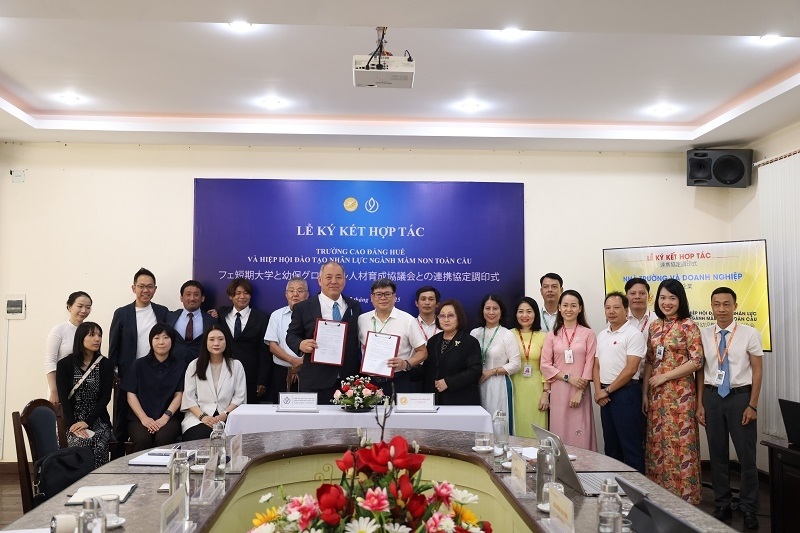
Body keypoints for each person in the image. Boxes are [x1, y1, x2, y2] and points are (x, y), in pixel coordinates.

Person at [696, 287, 763, 529]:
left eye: (726, 304)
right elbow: (700, 372)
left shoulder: (749, 333)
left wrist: (752, 405)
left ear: (735, 306)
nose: (722, 309)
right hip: (712, 398)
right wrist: (700, 404)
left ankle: (749, 507)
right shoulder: (704, 334)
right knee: (717, 454)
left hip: (740, 398)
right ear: (711, 307)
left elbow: (757, 371)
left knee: (747, 456)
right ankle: (722, 503)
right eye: (717, 304)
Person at [642, 279, 704, 504]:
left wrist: (666, 376)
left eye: (672, 298)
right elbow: (650, 361)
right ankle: (659, 498)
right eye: (662, 298)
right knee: (658, 445)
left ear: (680, 300)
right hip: (657, 396)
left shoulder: (689, 326)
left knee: (681, 446)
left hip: (681, 396)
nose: (666, 302)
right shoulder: (654, 326)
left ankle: (686, 499)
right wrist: (644, 393)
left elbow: (697, 361)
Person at [286, 261, 363, 403]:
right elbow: (291, 335)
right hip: (315, 381)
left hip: (348, 383)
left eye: (338, 277)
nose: (334, 281)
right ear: (320, 280)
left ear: (344, 281)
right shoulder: (303, 307)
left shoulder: (354, 306)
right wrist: (301, 344)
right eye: (329, 277)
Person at [109, 267, 169, 442]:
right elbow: (114, 346)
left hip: (155, 373)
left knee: (152, 414)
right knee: (121, 419)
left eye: (150, 287)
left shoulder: (162, 312)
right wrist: (113, 374)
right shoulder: (122, 313)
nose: (145, 290)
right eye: (141, 286)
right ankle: (119, 454)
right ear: (133, 288)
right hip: (128, 373)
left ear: (155, 289)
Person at [592, 292, 647, 472]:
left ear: (626, 310)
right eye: (607, 308)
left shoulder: (633, 334)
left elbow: (631, 369)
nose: (611, 311)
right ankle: (613, 486)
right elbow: (596, 365)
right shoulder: (602, 334)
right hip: (605, 396)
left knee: (631, 446)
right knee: (611, 446)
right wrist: (598, 391)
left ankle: (636, 488)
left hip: (626, 394)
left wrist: (606, 391)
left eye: (616, 307)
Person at [540, 289, 597, 451]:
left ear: (580, 308)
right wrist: (567, 377)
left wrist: (580, 391)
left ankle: (584, 466)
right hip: (558, 390)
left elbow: (589, 364)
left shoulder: (588, 334)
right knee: (560, 432)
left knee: (580, 432)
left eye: (573, 305)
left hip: (580, 390)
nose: (569, 309)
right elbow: (545, 364)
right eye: (565, 305)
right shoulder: (552, 334)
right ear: (559, 308)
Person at [56, 322, 113, 468]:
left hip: (97, 419)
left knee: (97, 443)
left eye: (99, 335)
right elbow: (63, 399)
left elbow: (105, 398)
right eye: (92, 335)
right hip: (72, 420)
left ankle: (99, 479)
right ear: (80, 338)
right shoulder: (64, 364)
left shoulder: (106, 364)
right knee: (79, 444)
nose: (97, 339)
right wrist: (73, 424)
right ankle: (77, 480)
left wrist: (87, 422)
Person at [121, 324, 185, 452]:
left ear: (172, 341)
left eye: (166, 337)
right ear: (151, 341)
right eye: (157, 338)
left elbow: (179, 394)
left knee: (163, 438)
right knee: (142, 439)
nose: (161, 342)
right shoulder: (139, 364)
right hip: (139, 418)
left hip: (170, 418)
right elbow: (131, 394)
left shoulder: (180, 365)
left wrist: (165, 417)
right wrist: (144, 418)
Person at [357, 278, 428, 395]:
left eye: (387, 294)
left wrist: (406, 363)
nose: (383, 298)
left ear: (394, 297)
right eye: (378, 294)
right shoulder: (362, 319)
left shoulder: (407, 320)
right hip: (369, 383)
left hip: (398, 380)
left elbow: (422, 352)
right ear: (372, 297)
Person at [181, 325, 247, 441]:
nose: (216, 343)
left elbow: (239, 397)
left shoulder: (236, 365)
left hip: (228, 416)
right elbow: (189, 398)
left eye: (221, 339)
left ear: (226, 342)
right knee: (202, 436)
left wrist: (225, 414)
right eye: (211, 339)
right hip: (198, 418)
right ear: (205, 342)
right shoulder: (194, 365)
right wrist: (203, 417)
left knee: (227, 438)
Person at [215, 278, 271, 405]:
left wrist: (262, 380)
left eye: (246, 293)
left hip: (251, 376)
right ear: (230, 296)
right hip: (224, 374)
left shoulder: (262, 318)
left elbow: (265, 351)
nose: (242, 297)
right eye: (238, 293)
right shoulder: (221, 315)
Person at [471, 295, 520, 424]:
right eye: (487, 308)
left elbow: (516, 364)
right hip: (477, 384)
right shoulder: (475, 333)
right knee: (479, 423)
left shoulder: (507, 334)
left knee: (498, 423)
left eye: (495, 308)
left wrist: (491, 372)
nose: (491, 312)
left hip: (499, 384)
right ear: (482, 311)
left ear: (501, 311)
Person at [422, 299, 482, 405]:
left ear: (459, 318)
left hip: (460, 399)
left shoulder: (469, 341)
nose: (446, 320)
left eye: (450, 316)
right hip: (435, 400)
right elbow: (427, 369)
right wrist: (407, 365)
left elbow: (475, 371)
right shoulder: (433, 341)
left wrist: (448, 382)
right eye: (442, 316)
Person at [509, 296, 549, 437]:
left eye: (529, 311)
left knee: (536, 428)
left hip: (536, 388)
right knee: (517, 425)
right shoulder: (509, 334)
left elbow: (546, 367)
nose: (524, 315)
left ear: (535, 314)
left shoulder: (544, 336)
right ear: (515, 314)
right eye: (521, 311)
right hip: (514, 386)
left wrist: (546, 393)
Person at [265, 277, 309, 403]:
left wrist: (302, 363)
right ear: (286, 294)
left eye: (300, 291)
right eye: (291, 290)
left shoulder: (315, 316)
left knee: (307, 410)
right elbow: (273, 346)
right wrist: (293, 361)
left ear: (307, 295)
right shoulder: (276, 315)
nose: (295, 294)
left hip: (308, 372)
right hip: (282, 373)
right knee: (281, 410)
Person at [45, 291, 93, 404]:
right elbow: (50, 361)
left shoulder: (90, 331)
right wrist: (54, 390)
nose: (84, 310)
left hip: (83, 387)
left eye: (88, 307)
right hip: (61, 385)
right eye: (80, 306)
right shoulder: (59, 330)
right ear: (69, 307)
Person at [165, 280, 215, 364]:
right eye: (188, 294)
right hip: (174, 365)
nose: (192, 298)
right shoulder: (170, 317)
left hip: (200, 365)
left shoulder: (211, 320)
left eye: (196, 295)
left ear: (202, 298)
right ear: (181, 297)